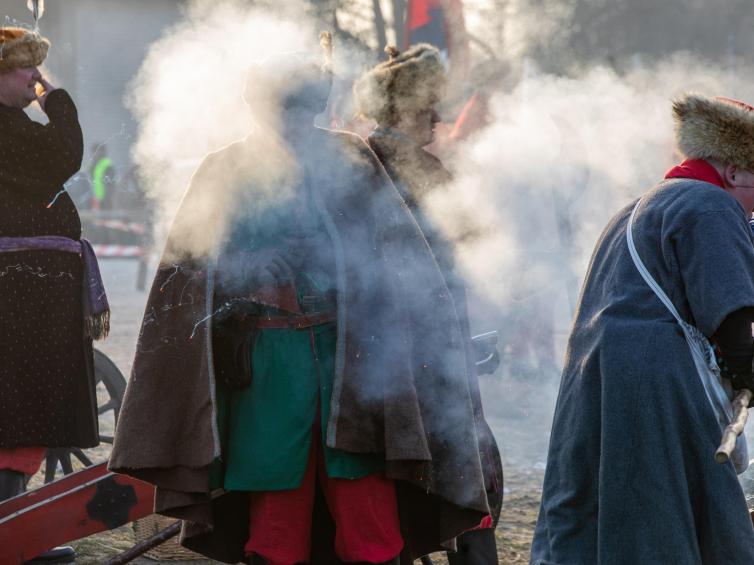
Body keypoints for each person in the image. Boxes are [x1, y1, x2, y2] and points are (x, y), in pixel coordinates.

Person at [109, 34, 489, 565]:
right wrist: (247, 266)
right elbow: (190, 269)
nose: (294, 125)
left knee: (371, 529)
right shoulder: (226, 169)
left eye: (304, 109)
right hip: (267, 374)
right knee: (274, 534)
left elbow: (399, 257)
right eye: (283, 110)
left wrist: (336, 257)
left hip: (353, 372)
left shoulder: (353, 158)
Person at [530, 94, 754, 564]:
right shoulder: (712, 204)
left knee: (598, 512)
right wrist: (747, 371)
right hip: (654, 382)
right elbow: (735, 317)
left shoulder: (640, 206)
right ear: (734, 170)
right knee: (661, 518)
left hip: (597, 377)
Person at [354, 44, 500, 565]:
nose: (438, 117)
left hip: (381, 349)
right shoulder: (415, 166)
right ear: (397, 111)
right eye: (425, 107)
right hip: (424, 345)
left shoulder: (357, 158)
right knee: (464, 464)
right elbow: (473, 238)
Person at [0, 27, 108, 565]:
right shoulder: (5, 128)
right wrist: (56, 99)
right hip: (19, 296)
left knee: (18, 413)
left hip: (25, 292)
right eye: (27, 70)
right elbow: (66, 154)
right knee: (17, 412)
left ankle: (12, 527)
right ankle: (9, 535)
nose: (36, 79)